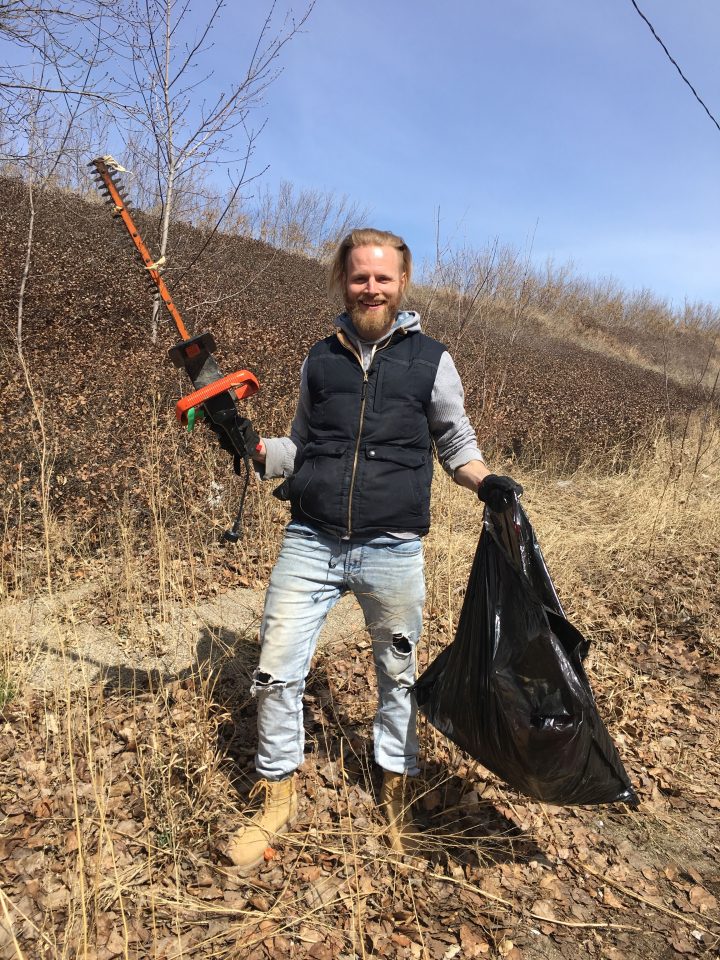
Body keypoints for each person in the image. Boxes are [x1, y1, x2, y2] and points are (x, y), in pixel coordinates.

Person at [222, 228, 521, 870]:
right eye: (360, 277)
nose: (371, 288)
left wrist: (484, 481)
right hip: (311, 538)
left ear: (402, 283)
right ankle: (277, 796)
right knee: (275, 668)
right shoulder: (319, 359)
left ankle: (396, 787)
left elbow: (454, 441)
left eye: (383, 278)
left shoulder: (432, 360)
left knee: (398, 676)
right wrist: (251, 447)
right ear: (343, 280)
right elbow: (301, 444)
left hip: (392, 549)